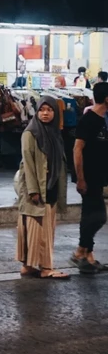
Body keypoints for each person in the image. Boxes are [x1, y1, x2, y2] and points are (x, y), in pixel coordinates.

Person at [15, 96, 70, 279]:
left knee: (44, 228)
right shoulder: (30, 133)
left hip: (51, 186)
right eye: (42, 110)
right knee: (35, 228)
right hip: (37, 188)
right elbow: (28, 163)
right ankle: (45, 268)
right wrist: (33, 190)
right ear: (37, 112)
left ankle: (30, 266)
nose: (45, 113)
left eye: (49, 110)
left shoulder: (54, 133)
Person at [72, 82, 108, 274]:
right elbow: (77, 149)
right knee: (98, 216)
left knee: (90, 214)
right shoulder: (89, 119)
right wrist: (80, 178)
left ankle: (88, 255)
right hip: (88, 176)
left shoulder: (103, 119)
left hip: (98, 176)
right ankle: (79, 251)